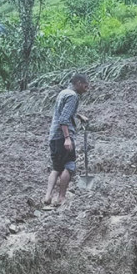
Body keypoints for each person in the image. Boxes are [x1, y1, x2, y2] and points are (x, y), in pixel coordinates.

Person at [43, 74, 89, 207]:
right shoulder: (73, 96)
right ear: (79, 83)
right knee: (69, 166)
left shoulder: (63, 93)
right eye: (86, 86)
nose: (87, 90)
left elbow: (62, 113)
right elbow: (63, 119)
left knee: (56, 167)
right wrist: (67, 138)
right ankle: (61, 198)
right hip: (63, 135)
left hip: (54, 136)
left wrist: (78, 116)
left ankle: (47, 197)